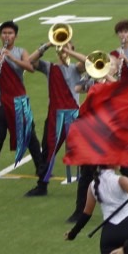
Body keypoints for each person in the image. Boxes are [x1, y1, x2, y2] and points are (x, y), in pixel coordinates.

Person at [0, 20, 47, 188]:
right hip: (0, 101)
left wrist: (12, 58)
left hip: (19, 100)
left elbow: (29, 68)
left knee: (30, 134)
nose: (7, 36)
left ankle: (40, 167)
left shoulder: (20, 51)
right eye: (4, 33)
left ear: (15, 35)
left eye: (10, 33)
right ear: (0, 35)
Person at [26, 38, 88, 195]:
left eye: (68, 47)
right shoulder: (50, 67)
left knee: (83, 150)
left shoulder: (76, 69)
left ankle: (93, 182)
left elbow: (88, 62)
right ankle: (42, 185)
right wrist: (47, 45)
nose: (64, 50)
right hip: (54, 114)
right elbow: (29, 61)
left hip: (73, 114)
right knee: (48, 150)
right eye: (61, 47)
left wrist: (70, 52)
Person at [67, 166, 128, 254]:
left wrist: (73, 233)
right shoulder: (121, 180)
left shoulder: (93, 185)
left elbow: (86, 214)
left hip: (109, 233)